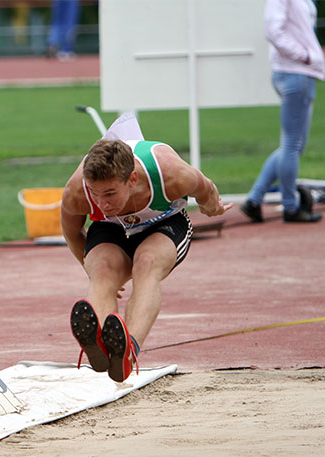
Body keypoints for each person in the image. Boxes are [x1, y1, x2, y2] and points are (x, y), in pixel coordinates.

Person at [61, 135, 231, 383]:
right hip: (112, 227)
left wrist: (211, 207)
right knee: (102, 271)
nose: (102, 203)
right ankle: (103, 346)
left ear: (132, 180)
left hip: (164, 222)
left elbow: (205, 187)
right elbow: (72, 232)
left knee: (146, 263)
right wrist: (92, 271)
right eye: (96, 194)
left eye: (109, 193)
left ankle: (129, 350)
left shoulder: (171, 174)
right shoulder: (77, 191)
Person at [240, 0, 324, 223]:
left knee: (292, 144)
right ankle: (291, 206)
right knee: (292, 145)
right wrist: (304, 55)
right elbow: (273, 30)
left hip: (296, 72)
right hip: (295, 72)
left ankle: (254, 200)